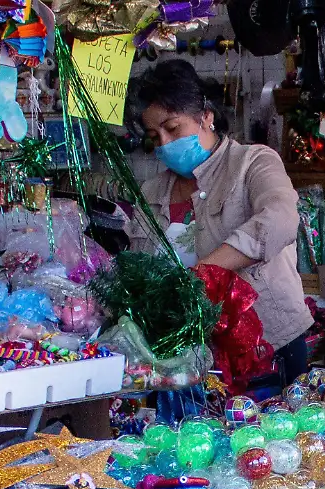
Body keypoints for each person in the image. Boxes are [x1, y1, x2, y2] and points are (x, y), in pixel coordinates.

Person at [133, 60, 314, 383]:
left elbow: (282, 220)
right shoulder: (152, 191)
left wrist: (203, 273)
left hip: (264, 347)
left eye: (173, 129)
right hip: (187, 361)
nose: (164, 143)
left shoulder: (252, 163)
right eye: (153, 136)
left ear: (206, 117)